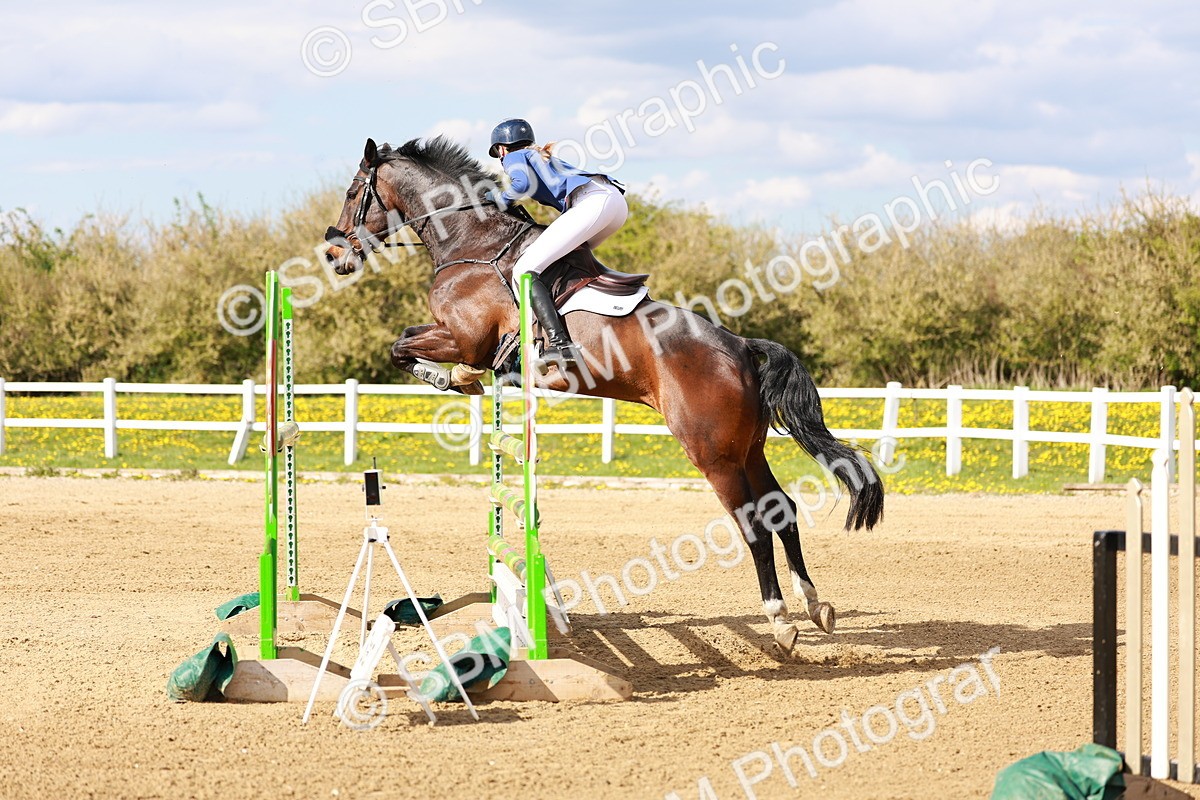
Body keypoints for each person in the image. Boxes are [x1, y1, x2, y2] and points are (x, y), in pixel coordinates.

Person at [484, 117, 628, 370]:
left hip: (592, 202)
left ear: (502, 149)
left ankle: (561, 345)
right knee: (560, 266)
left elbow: (521, 185)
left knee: (524, 270)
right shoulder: (535, 154)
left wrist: (496, 198)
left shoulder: (513, 157)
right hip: (613, 204)